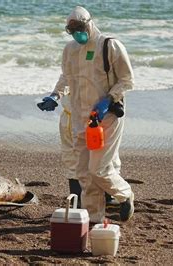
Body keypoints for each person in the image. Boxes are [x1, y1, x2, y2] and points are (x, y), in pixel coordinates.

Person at [38, 6, 135, 223]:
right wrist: (55, 95)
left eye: (79, 29)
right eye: (71, 31)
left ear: (89, 23)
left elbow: (127, 80)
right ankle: (94, 219)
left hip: (106, 117)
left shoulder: (109, 45)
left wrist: (108, 99)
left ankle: (124, 193)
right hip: (81, 119)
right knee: (83, 173)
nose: (77, 34)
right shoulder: (70, 50)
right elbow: (66, 77)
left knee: (98, 169)